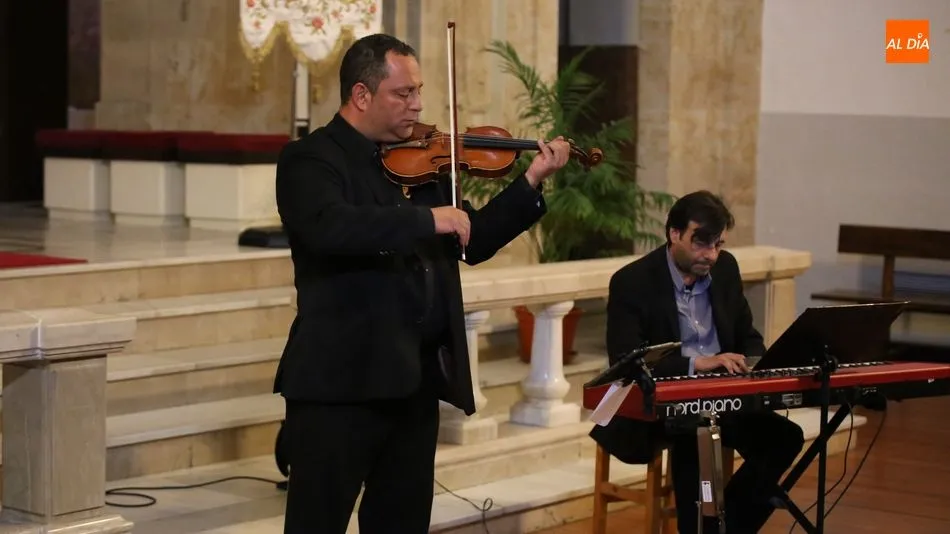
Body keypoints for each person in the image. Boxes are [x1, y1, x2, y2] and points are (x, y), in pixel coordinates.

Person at [272, 33, 571, 534]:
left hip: (411, 384)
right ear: (362, 95)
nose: (419, 104)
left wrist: (530, 181)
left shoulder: (418, 160)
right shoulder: (310, 159)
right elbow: (331, 227)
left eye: (419, 91)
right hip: (339, 387)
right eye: (403, 93)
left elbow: (471, 239)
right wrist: (426, 220)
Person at [589, 190, 805, 534]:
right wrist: (697, 364)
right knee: (696, 431)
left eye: (718, 245)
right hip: (661, 403)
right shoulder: (633, 282)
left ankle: (724, 527)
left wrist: (756, 363)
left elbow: (746, 333)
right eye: (701, 243)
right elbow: (625, 361)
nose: (711, 255)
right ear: (674, 233)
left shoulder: (726, 269)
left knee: (785, 438)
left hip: (724, 395)